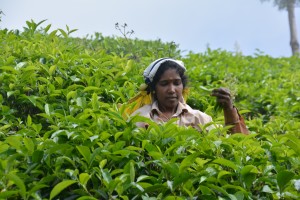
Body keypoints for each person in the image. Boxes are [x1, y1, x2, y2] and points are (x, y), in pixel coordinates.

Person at [127, 58, 248, 134]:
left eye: (176, 83)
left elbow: (233, 145)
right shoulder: (141, 117)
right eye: (164, 84)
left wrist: (228, 110)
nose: (172, 90)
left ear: (183, 86)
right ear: (153, 89)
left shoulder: (199, 119)